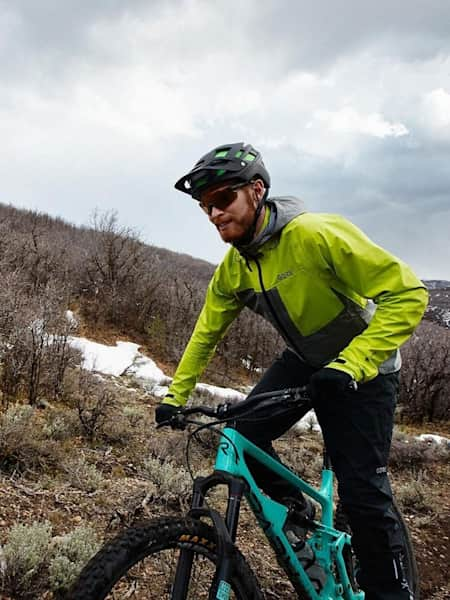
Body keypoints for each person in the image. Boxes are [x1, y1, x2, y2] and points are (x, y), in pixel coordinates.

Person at [155, 142, 428, 599]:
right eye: (207, 207)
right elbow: (206, 334)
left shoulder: (315, 235)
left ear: (257, 190)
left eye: (223, 199)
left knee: (362, 491)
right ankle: (295, 511)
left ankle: (392, 592)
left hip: (367, 365)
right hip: (307, 361)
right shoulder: (234, 269)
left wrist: (352, 363)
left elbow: (409, 294)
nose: (214, 214)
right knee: (240, 432)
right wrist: (174, 396)